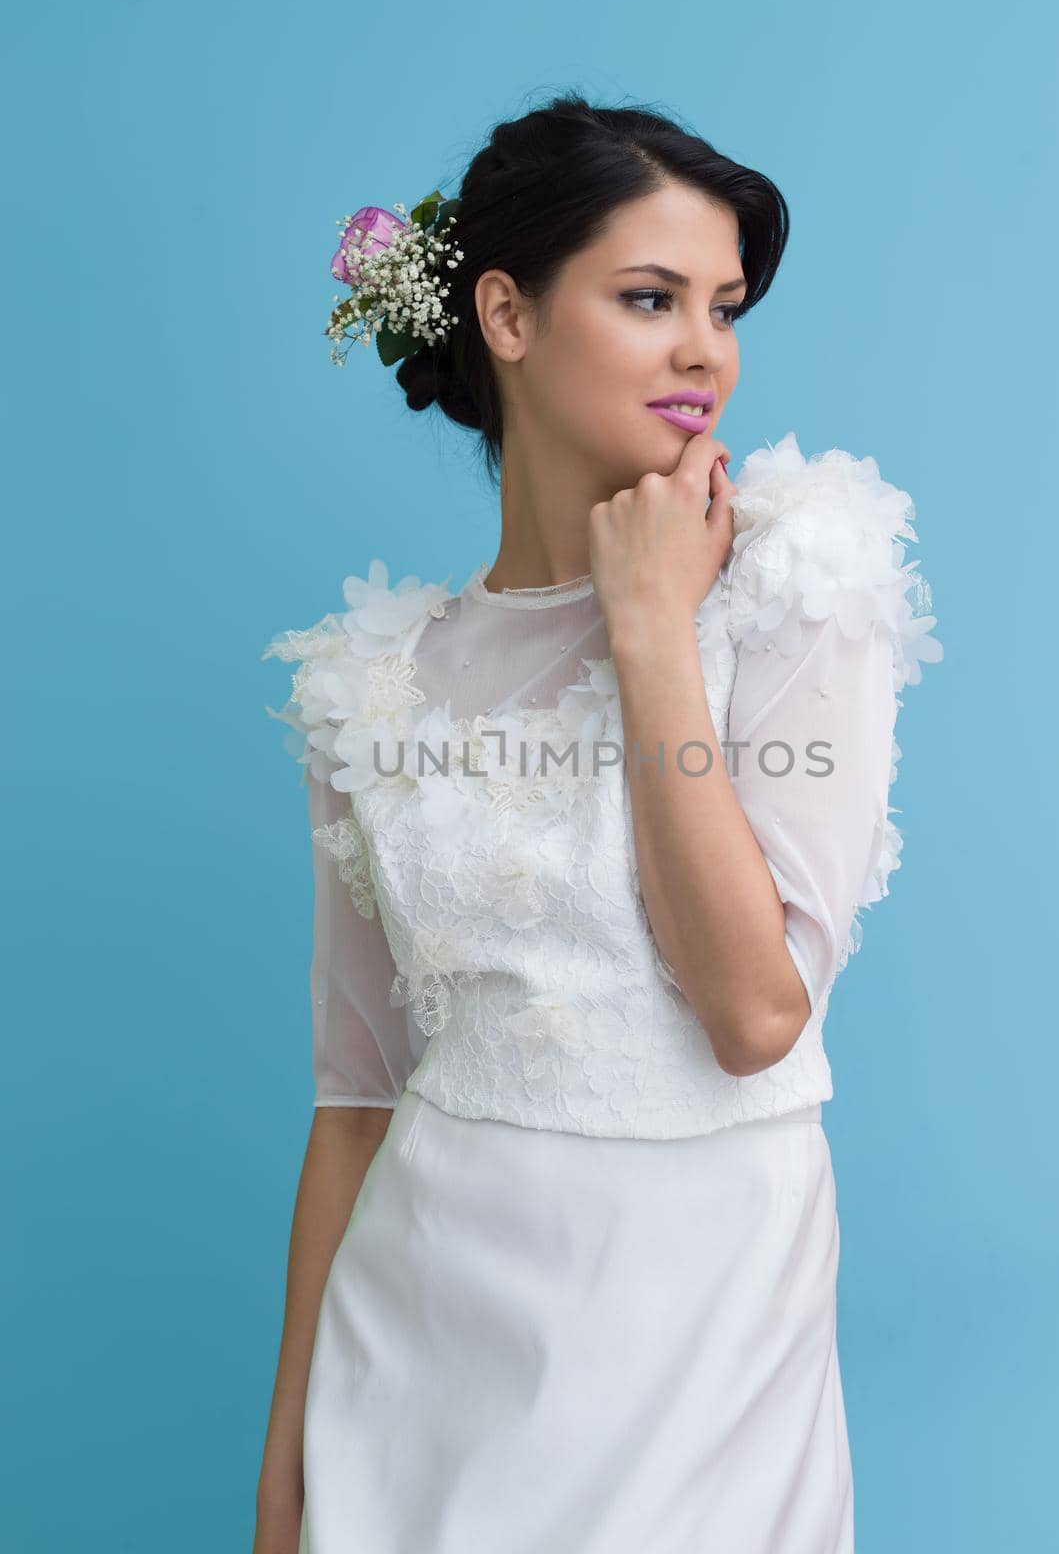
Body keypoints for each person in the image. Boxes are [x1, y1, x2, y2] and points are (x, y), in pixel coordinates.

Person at [253, 90, 942, 1554]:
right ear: (506, 314)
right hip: (417, 1347)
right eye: (650, 298)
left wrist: (649, 629)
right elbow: (356, 1102)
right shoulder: (371, 681)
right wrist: (287, 1477)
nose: (707, 350)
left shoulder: (795, 583)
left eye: (726, 306)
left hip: (703, 1357)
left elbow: (755, 1012)